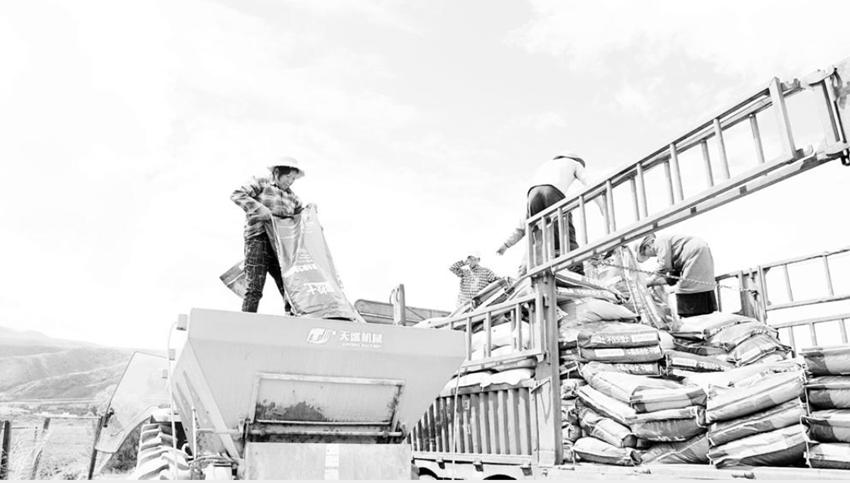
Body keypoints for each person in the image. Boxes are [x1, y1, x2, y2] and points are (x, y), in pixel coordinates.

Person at [496, 151, 604, 275]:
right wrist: (601, 205)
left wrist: (505, 245)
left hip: (532, 194)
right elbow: (589, 182)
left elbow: (522, 223)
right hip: (553, 193)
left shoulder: (545, 166)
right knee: (566, 232)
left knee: (536, 234)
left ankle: (525, 271)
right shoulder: (574, 163)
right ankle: (576, 270)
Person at [231, 156, 311, 313]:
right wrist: (258, 208)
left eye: (293, 179)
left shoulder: (293, 198)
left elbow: (299, 218)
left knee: (290, 287)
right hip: (259, 238)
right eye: (288, 176)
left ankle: (294, 320)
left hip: (282, 246)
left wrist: (309, 210)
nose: (290, 181)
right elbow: (237, 194)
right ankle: (246, 322)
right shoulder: (261, 183)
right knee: (254, 287)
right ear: (277, 172)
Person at [636, 233, 718, 317]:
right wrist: (653, 283)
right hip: (698, 251)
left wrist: (651, 279)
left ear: (647, 247)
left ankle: (692, 315)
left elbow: (664, 266)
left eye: (647, 254)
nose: (654, 256)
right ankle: (705, 312)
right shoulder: (673, 249)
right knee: (700, 283)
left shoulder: (659, 242)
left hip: (693, 251)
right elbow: (674, 277)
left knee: (685, 288)